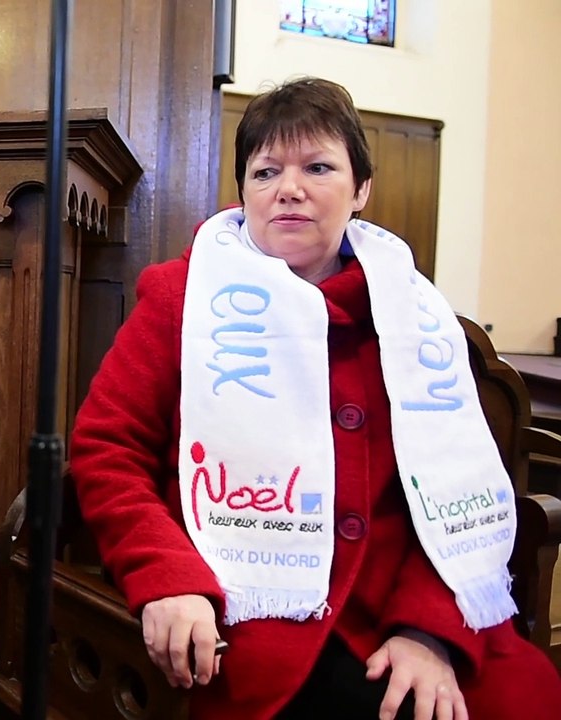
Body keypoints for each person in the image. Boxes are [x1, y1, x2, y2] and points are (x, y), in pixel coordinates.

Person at [69, 77, 561, 720]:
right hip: (244, 607)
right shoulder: (184, 298)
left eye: (318, 167)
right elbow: (107, 449)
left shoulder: (418, 318)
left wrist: (429, 629)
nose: (289, 188)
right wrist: (165, 577)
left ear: (361, 190)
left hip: (398, 604)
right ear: (244, 192)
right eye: (266, 170)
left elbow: (457, 491)